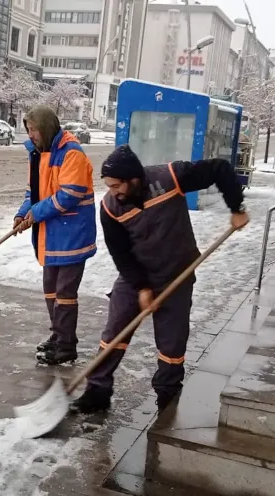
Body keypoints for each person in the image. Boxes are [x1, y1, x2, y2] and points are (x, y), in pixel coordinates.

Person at [70, 144, 249, 414]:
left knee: (172, 343)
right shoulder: (109, 208)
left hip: (178, 272)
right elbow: (121, 253)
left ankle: (167, 395)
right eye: (108, 185)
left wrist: (236, 208)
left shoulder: (169, 178)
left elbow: (219, 169)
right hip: (137, 274)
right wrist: (141, 287)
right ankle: (97, 390)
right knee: (115, 332)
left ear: (134, 179)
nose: (113, 191)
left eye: (117, 185)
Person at [12, 105, 97, 366]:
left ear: (47, 128)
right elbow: (33, 191)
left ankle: (66, 346)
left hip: (72, 235)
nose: (31, 135)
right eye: (28, 130)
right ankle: (58, 335)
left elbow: (69, 195)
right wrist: (22, 214)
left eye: (35, 129)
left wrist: (36, 213)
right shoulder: (38, 154)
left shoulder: (71, 153)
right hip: (50, 235)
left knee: (64, 293)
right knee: (50, 290)